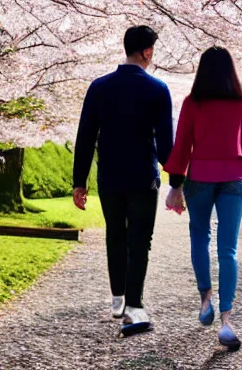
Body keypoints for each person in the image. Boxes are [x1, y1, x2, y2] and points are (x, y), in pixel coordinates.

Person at [72, 25, 174, 334]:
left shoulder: (99, 87)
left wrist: (79, 181)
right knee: (139, 241)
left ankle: (117, 297)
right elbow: (166, 146)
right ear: (146, 51)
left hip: (110, 176)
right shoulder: (158, 89)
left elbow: (86, 137)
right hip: (143, 176)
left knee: (115, 234)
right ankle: (134, 304)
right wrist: (179, 179)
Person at [164, 46, 242, 350]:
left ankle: (206, 298)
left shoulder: (193, 103)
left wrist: (175, 185)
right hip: (234, 176)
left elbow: (181, 147)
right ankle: (227, 321)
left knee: (199, 237)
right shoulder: (239, 102)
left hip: (200, 178)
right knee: (228, 248)